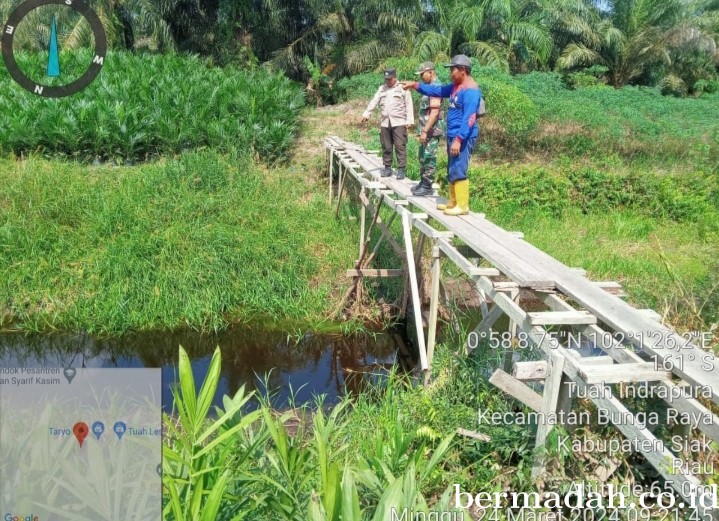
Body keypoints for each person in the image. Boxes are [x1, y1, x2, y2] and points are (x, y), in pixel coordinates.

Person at [402, 55, 481, 215]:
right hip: (453, 135)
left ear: (463, 70)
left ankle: (463, 206)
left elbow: (469, 118)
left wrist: (459, 140)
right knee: (452, 168)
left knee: (459, 168)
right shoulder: (455, 87)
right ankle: (453, 202)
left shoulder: (471, 90)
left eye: (453, 69)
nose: (450, 73)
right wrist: (415, 85)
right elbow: (436, 90)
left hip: (463, 137)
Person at [359, 68, 414, 179]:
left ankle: (401, 170)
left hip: (399, 122)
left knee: (400, 146)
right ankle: (387, 168)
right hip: (385, 122)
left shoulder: (403, 88)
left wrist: (409, 121)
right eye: (386, 79)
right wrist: (366, 114)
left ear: (395, 77)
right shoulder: (381, 89)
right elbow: (374, 101)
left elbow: (409, 104)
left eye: (390, 79)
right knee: (386, 146)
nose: (387, 81)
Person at [411, 62, 445, 197]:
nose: (421, 77)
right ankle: (423, 181)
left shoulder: (436, 87)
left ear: (430, 72)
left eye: (422, 74)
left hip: (432, 129)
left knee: (429, 156)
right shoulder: (429, 87)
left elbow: (435, 112)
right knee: (422, 156)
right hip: (426, 129)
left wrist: (425, 131)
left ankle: (427, 185)